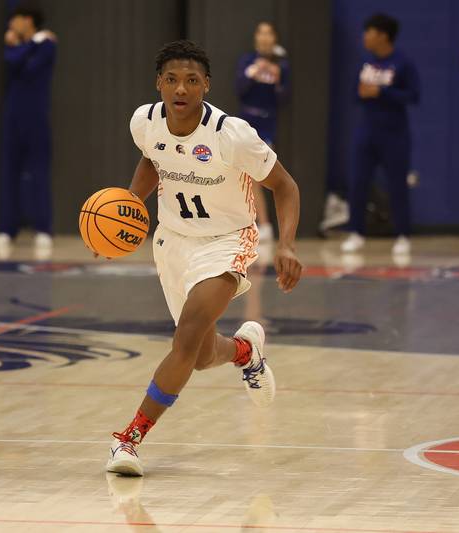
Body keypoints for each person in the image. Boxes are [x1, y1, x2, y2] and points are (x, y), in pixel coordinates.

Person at [106, 40, 303, 476]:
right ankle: (244, 352)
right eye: (172, 79)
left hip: (227, 241)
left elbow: (286, 187)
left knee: (188, 334)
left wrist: (286, 244)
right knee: (196, 353)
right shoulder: (145, 121)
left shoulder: (232, 135)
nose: (181, 89)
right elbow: (152, 161)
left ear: (206, 86)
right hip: (173, 240)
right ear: (159, 83)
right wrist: (126, 209)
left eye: (192, 80)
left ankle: (130, 438)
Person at [341, 13, 420, 256]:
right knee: (358, 183)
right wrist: (365, 92)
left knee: (397, 184)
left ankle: (403, 235)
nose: (365, 37)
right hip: (367, 131)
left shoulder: (403, 63)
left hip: (394, 133)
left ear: (383, 36)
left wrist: (382, 92)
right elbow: (356, 94)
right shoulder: (366, 63)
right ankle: (356, 232)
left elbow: (413, 96)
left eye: (369, 32)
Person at [0, 3, 57, 259]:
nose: (11, 25)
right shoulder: (26, 45)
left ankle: (43, 229)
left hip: (37, 118)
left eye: (15, 20)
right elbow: (13, 62)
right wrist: (26, 44)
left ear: (28, 20)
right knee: (9, 173)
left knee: (38, 173)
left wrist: (25, 45)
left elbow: (30, 68)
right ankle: (7, 229)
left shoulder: (48, 45)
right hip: (12, 118)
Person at [235, 21, 291, 244]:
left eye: (269, 33)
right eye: (261, 33)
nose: (265, 37)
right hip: (246, 121)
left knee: (262, 173)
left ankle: (264, 224)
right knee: (245, 176)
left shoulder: (282, 66)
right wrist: (254, 72)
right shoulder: (247, 61)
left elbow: (284, 98)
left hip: (267, 123)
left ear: (275, 39)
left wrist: (277, 79)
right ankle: (260, 224)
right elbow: (239, 89)